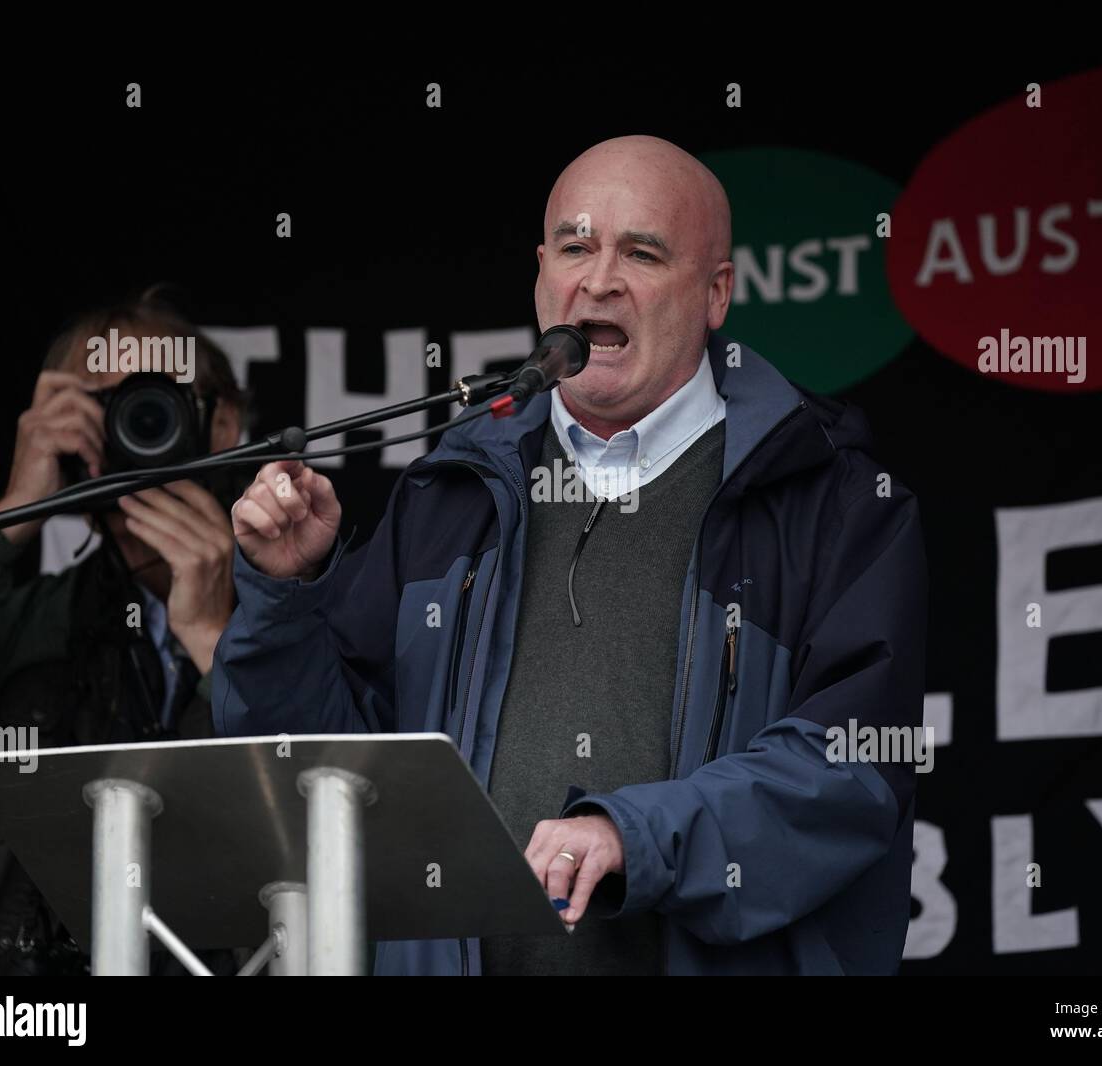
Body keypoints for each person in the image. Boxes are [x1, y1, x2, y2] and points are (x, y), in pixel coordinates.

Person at [214, 136, 929, 975]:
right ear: (541, 277)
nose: (599, 280)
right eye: (577, 247)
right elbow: (324, 778)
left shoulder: (831, 500)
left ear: (717, 294)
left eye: (643, 252)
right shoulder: (450, 490)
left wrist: (636, 835)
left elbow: (849, 777)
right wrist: (286, 594)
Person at [0, 287, 249, 975]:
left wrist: (217, 639)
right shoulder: (13, 621)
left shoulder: (304, 605)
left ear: (222, 423)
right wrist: (13, 514)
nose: (135, 433)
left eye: (155, 406)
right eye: (103, 413)